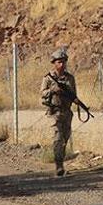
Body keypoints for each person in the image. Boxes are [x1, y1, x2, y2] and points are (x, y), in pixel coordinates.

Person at [40, 48, 76, 177]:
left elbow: (73, 94)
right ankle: (59, 166)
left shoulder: (70, 78)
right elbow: (42, 93)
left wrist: (76, 100)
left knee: (65, 139)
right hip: (54, 112)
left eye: (63, 62)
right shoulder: (48, 78)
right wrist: (52, 90)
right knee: (57, 138)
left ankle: (61, 161)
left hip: (67, 111)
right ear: (54, 63)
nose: (62, 64)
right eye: (59, 62)